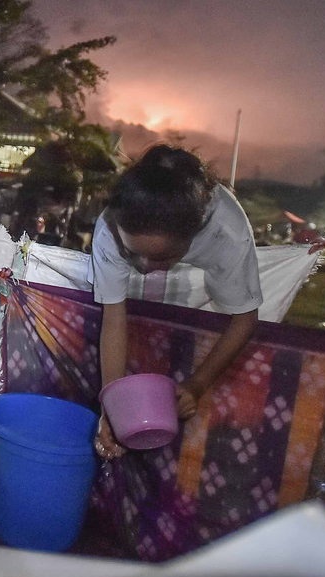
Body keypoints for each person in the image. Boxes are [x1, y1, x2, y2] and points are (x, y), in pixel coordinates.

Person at [90, 145, 262, 460]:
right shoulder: (109, 229)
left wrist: (198, 383)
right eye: (132, 253)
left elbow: (245, 318)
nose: (142, 267)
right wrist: (110, 408)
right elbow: (113, 316)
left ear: (193, 236)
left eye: (161, 258)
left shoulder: (227, 233)